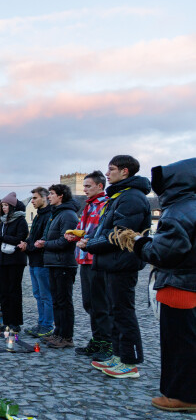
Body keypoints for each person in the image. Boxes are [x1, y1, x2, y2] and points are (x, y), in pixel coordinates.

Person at [131, 158, 196, 411]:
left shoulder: (180, 211)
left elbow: (162, 253)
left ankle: (182, 396)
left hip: (179, 285)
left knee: (179, 343)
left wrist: (139, 242)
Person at [86, 155, 151, 378]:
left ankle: (130, 363)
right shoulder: (119, 196)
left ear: (125, 172)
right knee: (114, 311)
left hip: (123, 264)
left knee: (124, 312)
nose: (107, 173)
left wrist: (91, 244)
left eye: (111, 169)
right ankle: (117, 356)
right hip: (111, 264)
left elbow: (120, 235)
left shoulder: (131, 198)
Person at [69, 171, 111, 360]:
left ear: (99, 186)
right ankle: (97, 339)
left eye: (88, 186)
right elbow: (84, 229)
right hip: (84, 259)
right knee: (89, 303)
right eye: (84, 186)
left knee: (100, 304)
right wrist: (74, 234)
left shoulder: (105, 204)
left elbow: (102, 231)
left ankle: (106, 343)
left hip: (97, 258)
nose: (84, 189)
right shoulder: (88, 206)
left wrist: (85, 238)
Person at [35, 184, 79, 349]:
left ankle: (66, 336)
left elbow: (65, 241)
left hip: (64, 264)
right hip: (54, 262)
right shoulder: (57, 214)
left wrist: (45, 244)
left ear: (61, 196)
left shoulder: (68, 215)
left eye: (52, 194)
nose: (48, 197)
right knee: (57, 301)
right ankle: (58, 333)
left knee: (64, 301)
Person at [19, 188, 54, 338]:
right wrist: (25, 243)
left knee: (46, 295)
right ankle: (41, 323)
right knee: (38, 295)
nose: (32, 201)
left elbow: (43, 239)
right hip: (34, 261)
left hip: (43, 261)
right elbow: (33, 236)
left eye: (35, 198)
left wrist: (29, 246)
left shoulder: (49, 216)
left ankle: (47, 325)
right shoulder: (39, 215)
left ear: (44, 198)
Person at [0, 192, 29, 332]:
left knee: (14, 291)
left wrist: (3, 238)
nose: (4, 208)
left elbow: (20, 238)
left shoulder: (20, 221)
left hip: (15, 260)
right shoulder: (3, 222)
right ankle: (6, 320)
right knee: (4, 291)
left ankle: (15, 321)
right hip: (3, 259)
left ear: (12, 206)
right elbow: (0, 237)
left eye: (6, 205)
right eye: (3, 205)